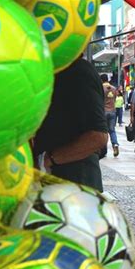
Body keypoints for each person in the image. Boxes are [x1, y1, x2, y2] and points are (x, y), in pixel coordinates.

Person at [33, 57, 108, 192]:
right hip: (55, 186)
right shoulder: (53, 71)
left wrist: (48, 159)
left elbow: (98, 137)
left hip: (76, 188)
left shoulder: (79, 72)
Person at [101, 74, 119, 158]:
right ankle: (115, 144)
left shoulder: (101, 88)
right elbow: (114, 99)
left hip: (104, 111)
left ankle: (103, 150)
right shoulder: (114, 88)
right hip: (112, 111)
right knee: (112, 130)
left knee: (103, 131)